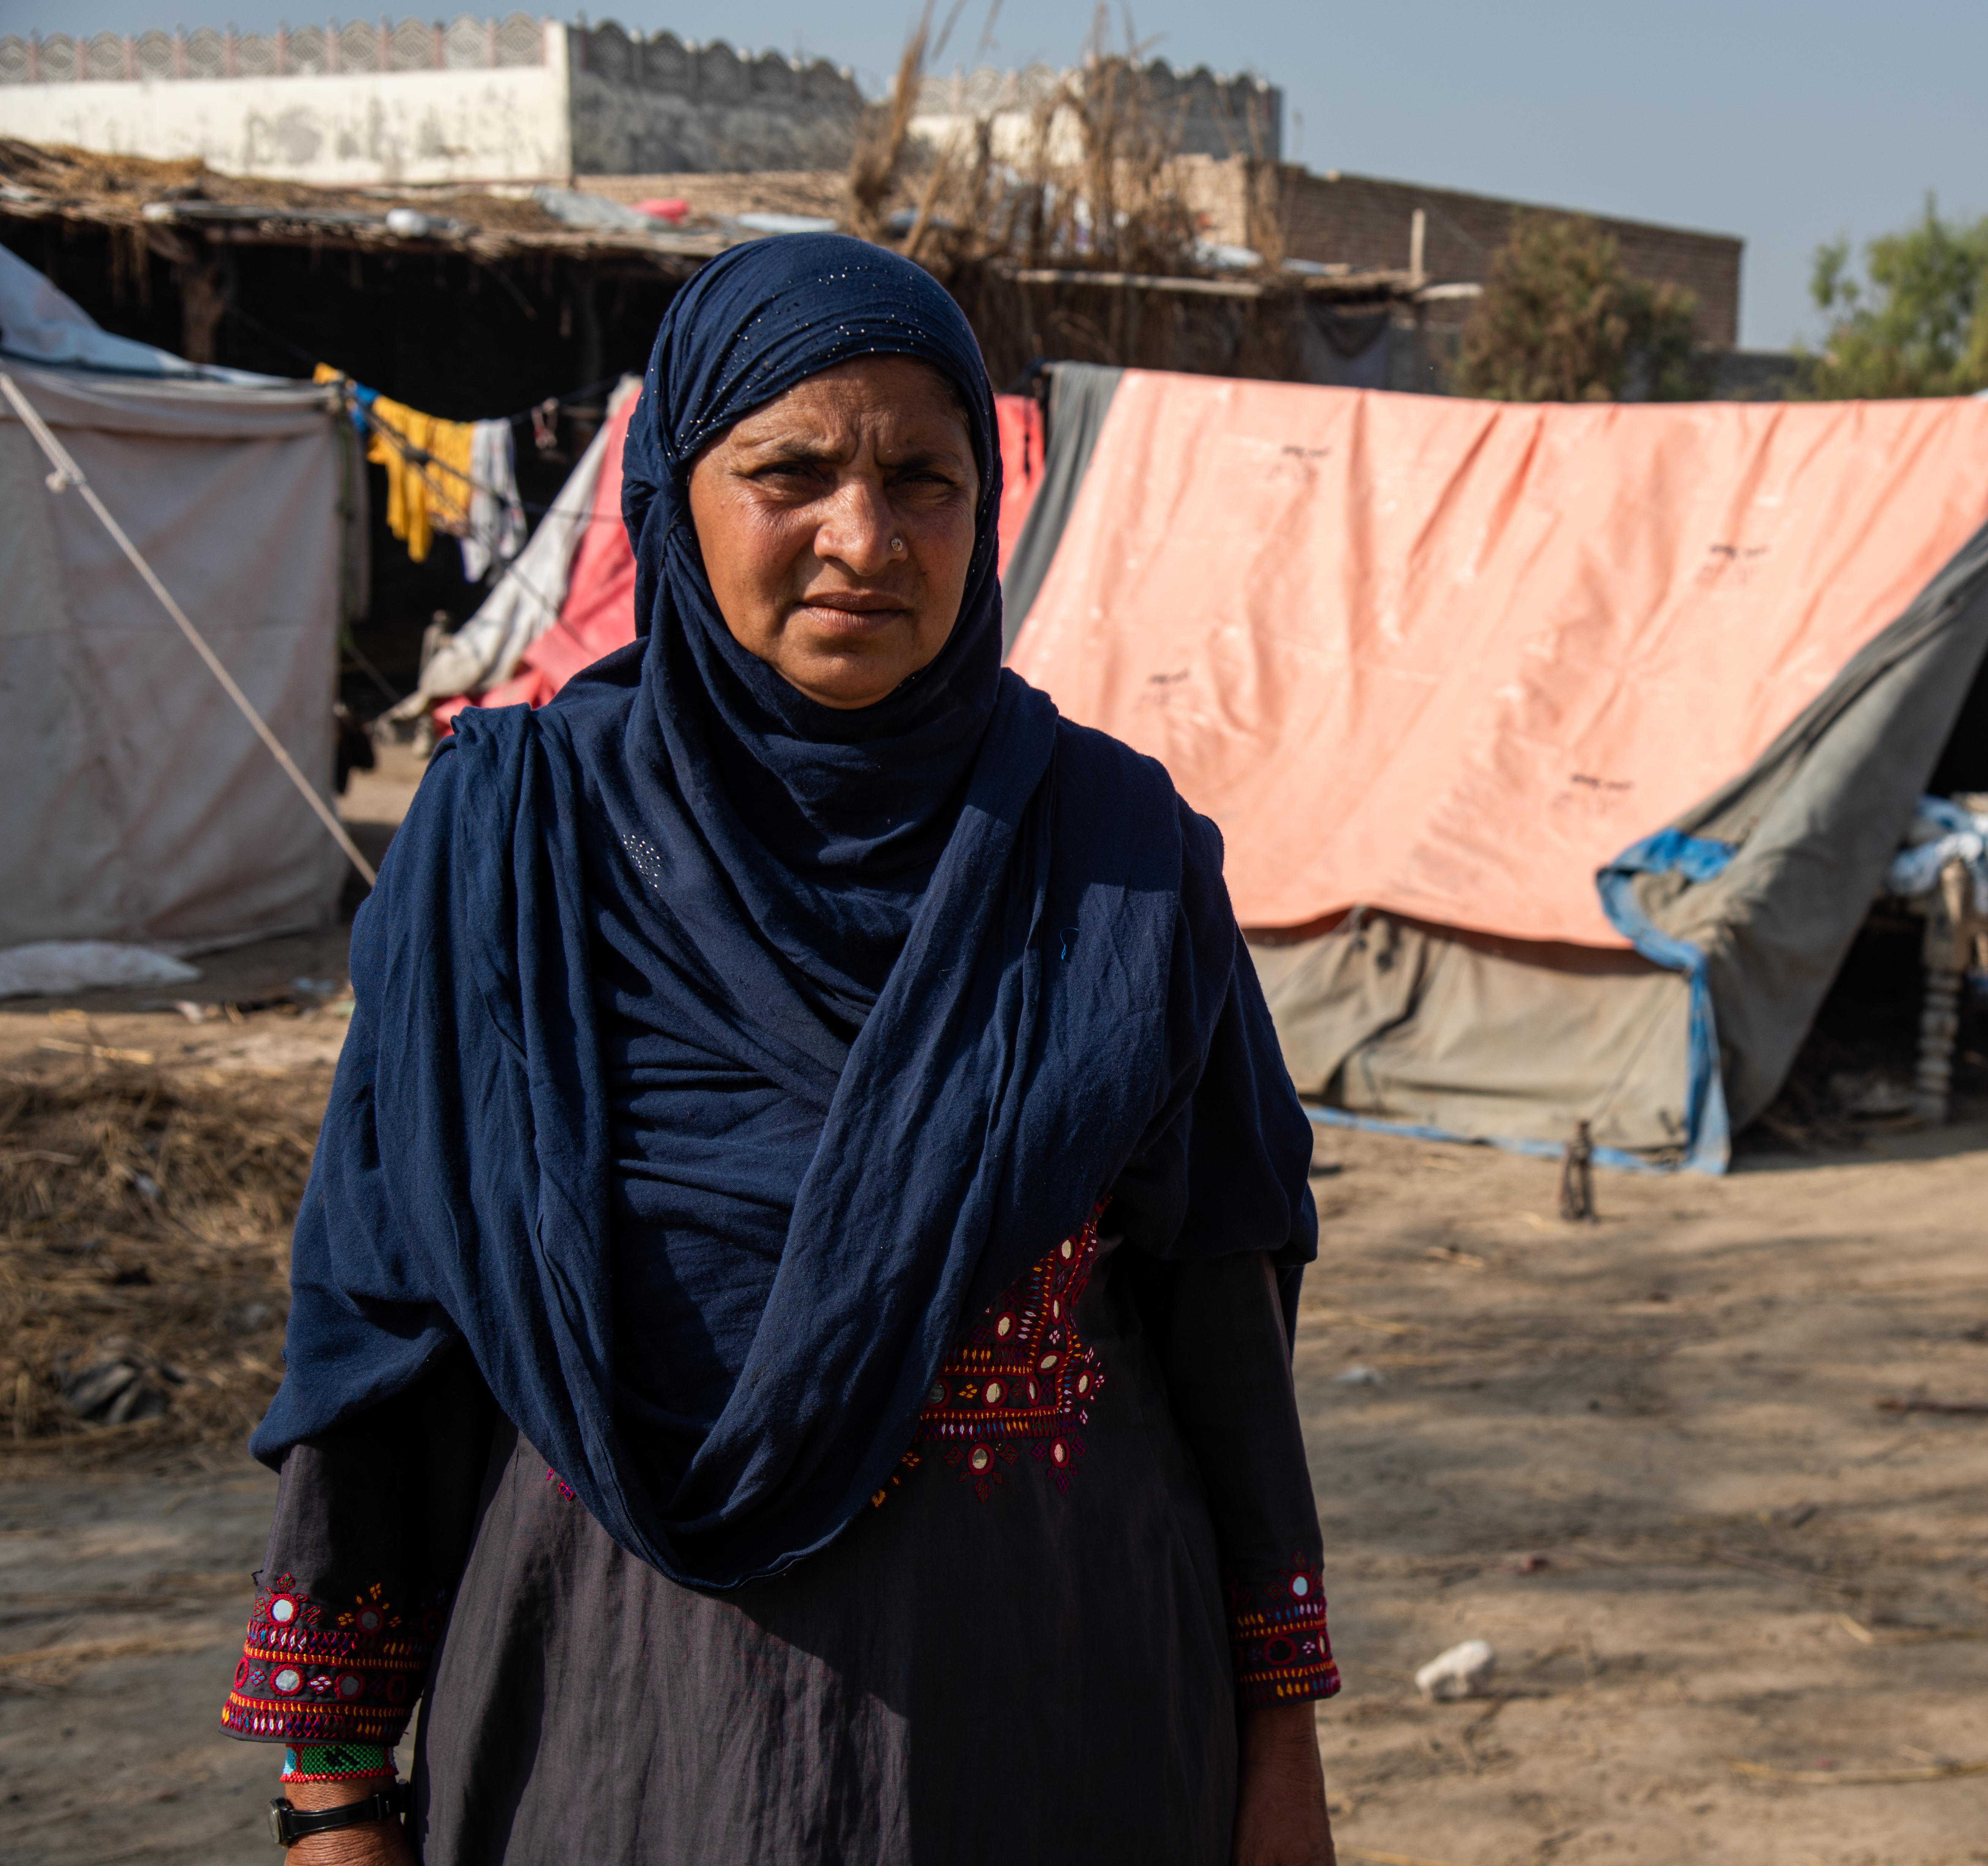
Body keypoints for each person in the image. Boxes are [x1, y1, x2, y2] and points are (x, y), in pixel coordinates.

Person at [220, 236, 1338, 1864]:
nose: (865, 540)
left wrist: (1281, 1758)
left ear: (988, 506)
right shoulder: (512, 848)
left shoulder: (1112, 857)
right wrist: (332, 1797)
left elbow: (1224, 1350)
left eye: (925, 479)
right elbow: (383, 1335)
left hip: (1069, 1740)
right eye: (792, 471)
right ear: (678, 494)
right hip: (613, 1754)